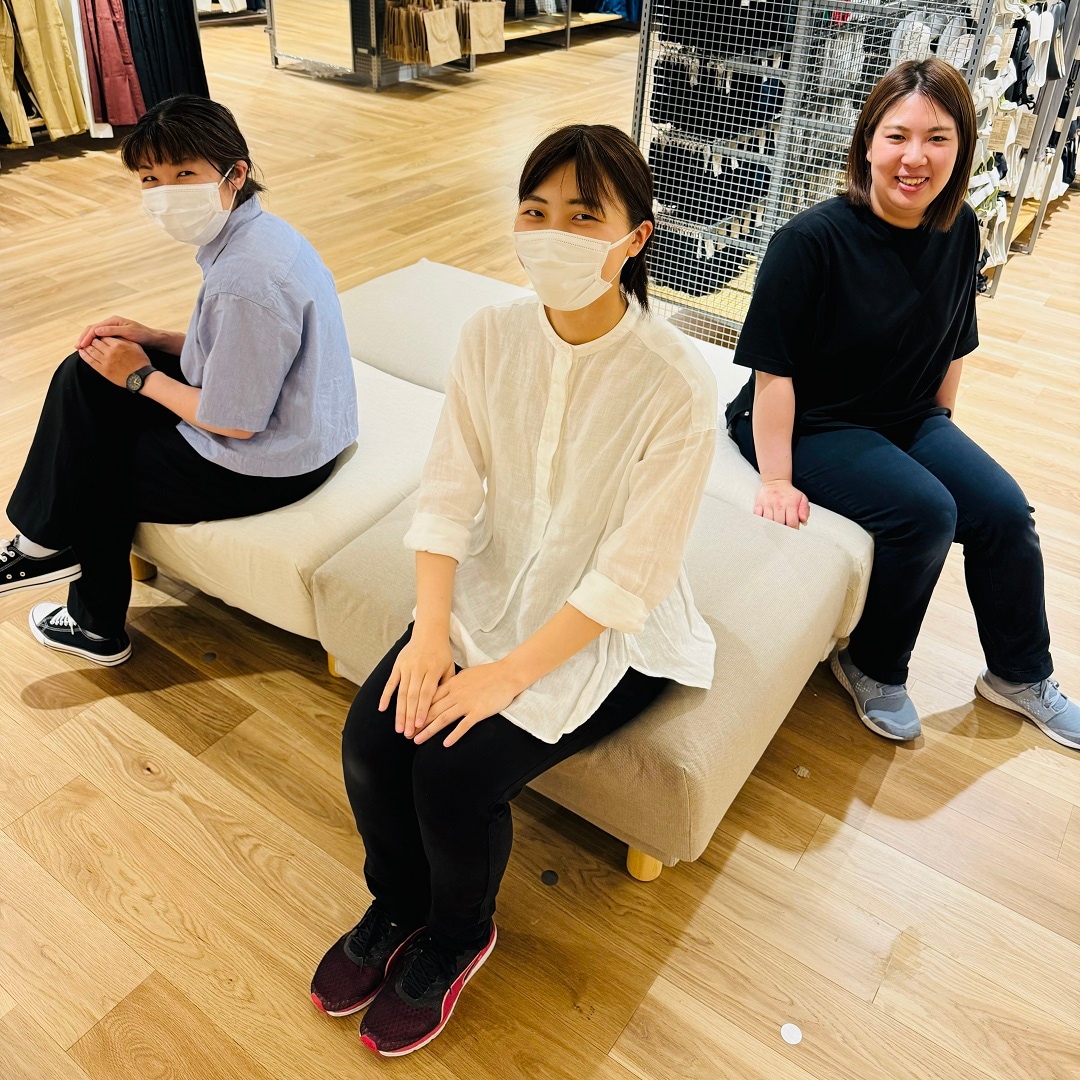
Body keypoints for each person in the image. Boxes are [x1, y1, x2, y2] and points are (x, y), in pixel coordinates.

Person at [310, 124, 717, 1056]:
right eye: (536, 211)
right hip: (496, 585)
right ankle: (397, 904)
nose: (552, 234)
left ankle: (457, 936)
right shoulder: (490, 336)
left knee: (453, 773)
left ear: (635, 239)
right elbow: (449, 490)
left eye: (583, 216)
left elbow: (633, 574)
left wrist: (507, 676)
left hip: (614, 632)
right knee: (374, 736)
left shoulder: (675, 383)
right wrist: (430, 633)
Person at [727, 58, 1079, 748]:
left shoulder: (961, 229)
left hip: (904, 414)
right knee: (926, 511)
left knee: (1004, 511)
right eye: (897, 136)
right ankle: (872, 664)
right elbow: (774, 374)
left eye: (937, 138)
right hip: (808, 422)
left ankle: (1019, 673)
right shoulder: (809, 242)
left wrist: (943, 433)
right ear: (868, 144)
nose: (915, 158)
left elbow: (953, 343)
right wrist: (775, 478)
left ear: (962, 147)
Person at [1, 95, 357, 665]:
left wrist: (140, 377)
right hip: (300, 423)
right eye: (150, 179)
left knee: (95, 467)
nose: (165, 193)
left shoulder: (244, 279)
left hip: (269, 462)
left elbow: (235, 423)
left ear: (235, 173)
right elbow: (246, 353)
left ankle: (93, 625)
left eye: (184, 174)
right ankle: (41, 543)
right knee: (86, 371)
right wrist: (157, 339)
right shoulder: (261, 235)